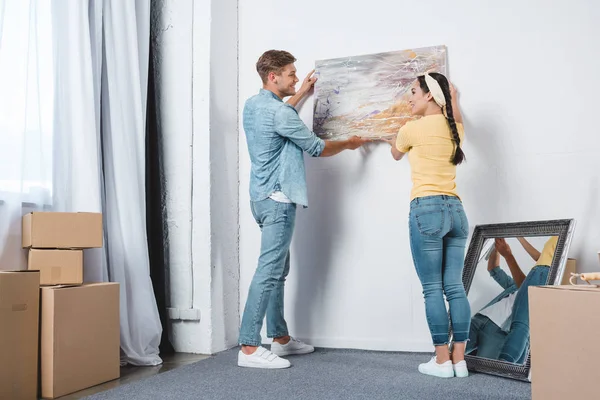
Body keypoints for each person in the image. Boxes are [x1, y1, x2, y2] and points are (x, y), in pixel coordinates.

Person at [238, 50, 369, 369]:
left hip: (259, 198)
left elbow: (279, 114)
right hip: (280, 199)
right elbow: (317, 147)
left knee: (277, 270)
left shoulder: (254, 105)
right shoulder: (281, 114)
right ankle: (250, 348)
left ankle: (280, 337)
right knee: (269, 271)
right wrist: (350, 144)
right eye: (291, 74)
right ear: (274, 77)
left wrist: (301, 92)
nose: (296, 78)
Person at [383, 72, 470, 378]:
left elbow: (395, 154)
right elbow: (456, 119)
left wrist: (389, 133)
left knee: (432, 289)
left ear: (429, 95)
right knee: (455, 289)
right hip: (456, 211)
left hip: (427, 209)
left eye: (413, 92)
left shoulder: (410, 130)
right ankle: (460, 359)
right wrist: (454, 101)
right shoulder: (454, 128)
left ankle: (442, 361)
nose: (410, 98)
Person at [496, 236, 558, 362]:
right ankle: (513, 372)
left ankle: (503, 365)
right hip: (547, 275)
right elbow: (540, 257)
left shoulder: (561, 236)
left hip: (541, 272)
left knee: (521, 325)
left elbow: (541, 260)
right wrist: (520, 237)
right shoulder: (563, 238)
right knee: (526, 329)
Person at [466, 241, 521, 360]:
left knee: (485, 369)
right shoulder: (517, 285)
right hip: (479, 318)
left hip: (498, 332)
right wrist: (496, 246)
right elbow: (494, 269)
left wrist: (508, 255)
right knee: (452, 352)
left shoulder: (540, 297)